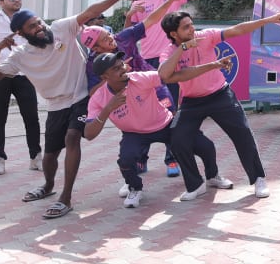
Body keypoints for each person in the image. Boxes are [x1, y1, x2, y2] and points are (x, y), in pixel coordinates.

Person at [0, 0, 143, 219]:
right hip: (55, 105)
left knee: (72, 137)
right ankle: (48, 185)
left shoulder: (60, 28)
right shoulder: (20, 55)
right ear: (21, 33)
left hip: (80, 97)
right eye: (32, 27)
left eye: (39, 22)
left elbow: (90, 12)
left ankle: (66, 198)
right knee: (50, 155)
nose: (40, 27)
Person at [124, 0, 255, 176]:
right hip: (148, 63)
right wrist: (129, 15)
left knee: (171, 110)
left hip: (172, 60)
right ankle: (140, 159)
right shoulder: (139, 4)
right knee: (143, 109)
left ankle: (171, 159)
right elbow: (128, 35)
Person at [159, 9, 280, 200]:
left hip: (220, 94)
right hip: (192, 101)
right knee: (177, 139)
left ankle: (258, 178)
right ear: (173, 34)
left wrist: (268, 20)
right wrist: (183, 48)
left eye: (192, 24)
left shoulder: (205, 36)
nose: (192, 29)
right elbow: (164, 74)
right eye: (186, 27)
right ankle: (196, 185)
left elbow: (238, 29)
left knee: (243, 134)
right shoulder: (169, 52)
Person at [84, 51, 229, 208]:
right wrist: (108, 108)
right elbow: (89, 134)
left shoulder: (140, 78)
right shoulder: (98, 98)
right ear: (104, 77)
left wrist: (213, 65)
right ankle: (135, 188)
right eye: (116, 69)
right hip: (134, 133)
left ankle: (212, 176)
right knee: (126, 159)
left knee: (205, 145)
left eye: (122, 65)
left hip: (165, 124)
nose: (123, 69)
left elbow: (177, 75)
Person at [79, 0, 192, 186]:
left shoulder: (123, 37)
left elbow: (152, 19)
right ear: (95, 48)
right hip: (129, 95)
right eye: (105, 40)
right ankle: (140, 160)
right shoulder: (93, 64)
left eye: (108, 34)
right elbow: (93, 92)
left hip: (153, 84)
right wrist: (115, 73)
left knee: (171, 118)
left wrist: (169, 1)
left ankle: (171, 159)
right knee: (137, 127)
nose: (111, 39)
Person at [0, 0, 41, 176]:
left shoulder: (28, 19)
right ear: (1, 2)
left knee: (31, 117)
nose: (17, 0)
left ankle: (35, 157)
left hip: (24, 75)